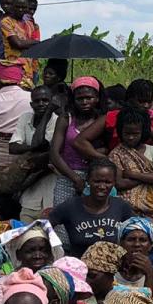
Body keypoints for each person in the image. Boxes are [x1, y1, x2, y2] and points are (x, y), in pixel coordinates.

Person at [47, 159, 135, 259]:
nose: (102, 186)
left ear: (114, 182)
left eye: (108, 182)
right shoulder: (71, 206)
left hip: (112, 272)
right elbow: (43, 227)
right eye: (97, 181)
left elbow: (138, 231)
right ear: (88, 180)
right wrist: (55, 254)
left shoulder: (121, 206)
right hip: (79, 271)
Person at [48, 78, 102, 208]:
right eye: (80, 98)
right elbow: (54, 153)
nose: (84, 102)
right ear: (73, 99)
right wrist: (75, 178)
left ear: (97, 98)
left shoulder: (101, 120)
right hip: (67, 175)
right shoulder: (66, 118)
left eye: (89, 98)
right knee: (62, 222)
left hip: (95, 178)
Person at [9, 85, 59, 224]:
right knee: (27, 232)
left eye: (45, 100)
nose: (41, 104)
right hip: (30, 191)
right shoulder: (25, 118)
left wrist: (48, 114)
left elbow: (47, 154)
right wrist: (33, 148)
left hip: (51, 184)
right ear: (31, 104)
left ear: (52, 102)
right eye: (37, 101)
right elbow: (13, 147)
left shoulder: (58, 121)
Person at [107, 107, 153, 219]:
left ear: (143, 131)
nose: (131, 137)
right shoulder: (116, 154)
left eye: (135, 134)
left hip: (150, 210)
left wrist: (133, 174)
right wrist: (148, 177)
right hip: (126, 211)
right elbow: (119, 183)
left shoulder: (152, 150)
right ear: (121, 131)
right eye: (127, 133)